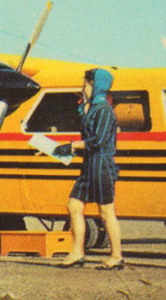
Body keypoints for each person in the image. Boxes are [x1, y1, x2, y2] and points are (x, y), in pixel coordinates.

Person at [59, 68, 123, 269]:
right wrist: (69, 149)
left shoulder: (103, 110)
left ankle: (116, 256)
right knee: (74, 205)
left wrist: (73, 145)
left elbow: (98, 141)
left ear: (96, 86)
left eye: (86, 84)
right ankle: (77, 252)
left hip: (101, 164)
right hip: (89, 164)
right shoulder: (93, 109)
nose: (83, 88)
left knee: (106, 211)